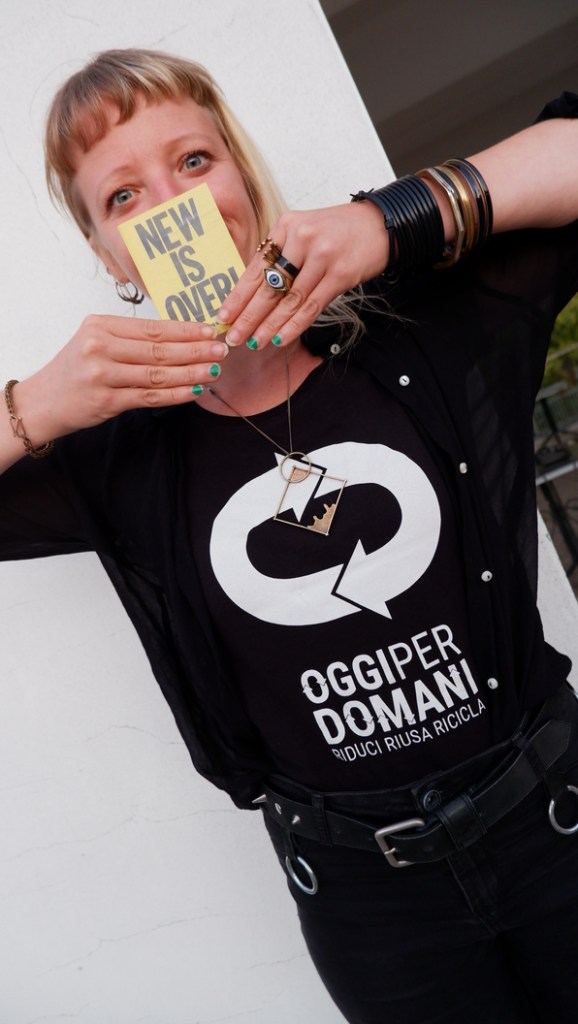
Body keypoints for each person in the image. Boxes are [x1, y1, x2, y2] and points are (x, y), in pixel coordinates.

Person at [1, 48, 578, 1024]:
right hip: (369, 906)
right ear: (108, 254)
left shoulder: (429, 329)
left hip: (553, 823)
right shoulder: (115, 460)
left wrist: (390, 220)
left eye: (193, 161)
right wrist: (33, 406)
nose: (173, 203)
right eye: (123, 196)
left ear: (241, 175)